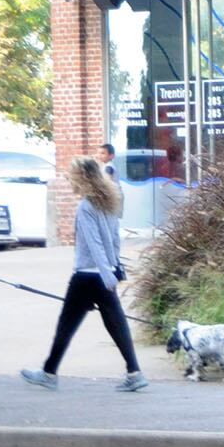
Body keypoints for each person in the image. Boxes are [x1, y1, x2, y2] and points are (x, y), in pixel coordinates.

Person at [19, 157, 147, 393]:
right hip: (103, 274)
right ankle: (134, 372)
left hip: (87, 277)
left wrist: (107, 274)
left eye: (72, 176)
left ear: (83, 178)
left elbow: (94, 243)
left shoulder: (86, 206)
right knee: (116, 324)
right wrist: (113, 268)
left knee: (66, 325)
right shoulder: (109, 202)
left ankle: (48, 374)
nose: (69, 181)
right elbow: (114, 239)